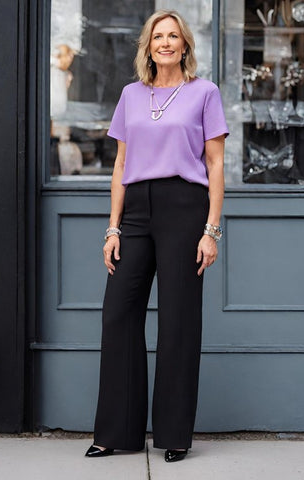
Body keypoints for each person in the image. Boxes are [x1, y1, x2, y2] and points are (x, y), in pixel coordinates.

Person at [84, 9, 228, 463]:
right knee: (118, 313)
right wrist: (113, 225)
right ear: (147, 46)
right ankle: (116, 432)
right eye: (157, 36)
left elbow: (216, 165)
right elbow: (121, 166)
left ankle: (174, 434)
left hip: (185, 207)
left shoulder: (204, 93)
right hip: (138, 209)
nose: (165, 42)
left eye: (173, 36)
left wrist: (211, 230)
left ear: (185, 44)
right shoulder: (131, 95)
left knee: (179, 320)